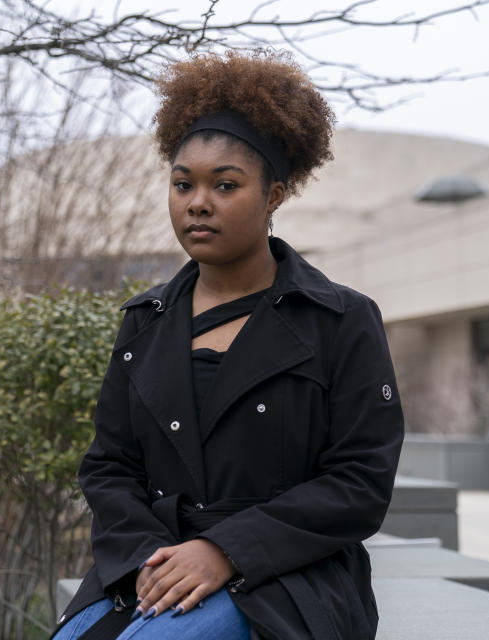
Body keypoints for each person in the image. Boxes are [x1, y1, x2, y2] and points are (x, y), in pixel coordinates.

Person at [52, 49, 404, 640]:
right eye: (183, 183)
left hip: (288, 579)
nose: (198, 202)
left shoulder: (341, 320)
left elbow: (360, 484)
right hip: (154, 565)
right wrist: (151, 559)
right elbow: (109, 467)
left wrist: (223, 550)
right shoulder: (145, 321)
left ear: (274, 195)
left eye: (225, 184)